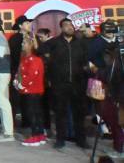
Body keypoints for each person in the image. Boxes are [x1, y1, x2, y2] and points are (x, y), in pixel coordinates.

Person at [41, 17, 89, 149]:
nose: (70, 27)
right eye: (67, 25)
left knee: (79, 114)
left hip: (78, 83)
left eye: (71, 25)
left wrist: (85, 71)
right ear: (61, 28)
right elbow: (40, 52)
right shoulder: (54, 43)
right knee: (60, 113)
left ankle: (81, 140)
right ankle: (60, 139)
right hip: (59, 84)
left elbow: (86, 60)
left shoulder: (80, 43)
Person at [90, 20, 123, 158]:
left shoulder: (120, 42)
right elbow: (92, 64)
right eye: (108, 30)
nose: (110, 33)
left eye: (113, 30)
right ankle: (119, 145)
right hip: (105, 83)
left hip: (120, 84)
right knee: (110, 115)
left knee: (119, 117)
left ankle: (120, 145)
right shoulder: (96, 43)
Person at [17, 35, 47, 147]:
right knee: (36, 113)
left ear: (31, 45)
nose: (22, 45)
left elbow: (30, 75)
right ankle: (40, 135)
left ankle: (35, 136)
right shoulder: (25, 58)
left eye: (24, 43)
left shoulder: (35, 59)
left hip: (32, 91)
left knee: (33, 113)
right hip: (31, 90)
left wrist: (20, 84)